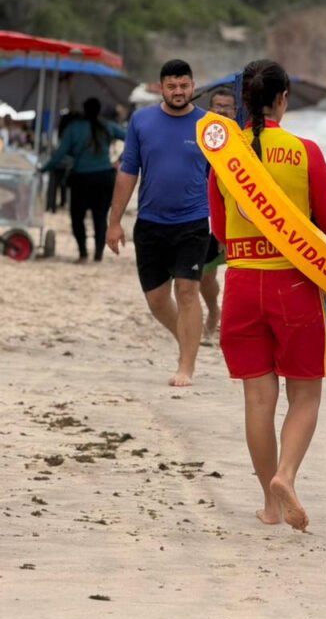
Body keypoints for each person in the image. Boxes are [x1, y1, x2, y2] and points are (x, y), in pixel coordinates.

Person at [209, 59, 326, 532]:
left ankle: (269, 505)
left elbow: (221, 230)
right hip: (294, 283)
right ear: (283, 98)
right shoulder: (305, 151)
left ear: (243, 100)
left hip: (243, 283)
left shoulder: (225, 157)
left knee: (257, 400)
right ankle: (285, 476)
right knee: (304, 394)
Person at [106, 59, 210, 388]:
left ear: (192, 86)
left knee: (187, 291)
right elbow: (127, 172)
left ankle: (186, 366)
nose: (178, 91)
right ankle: (187, 339)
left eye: (184, 85)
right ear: (161, 87)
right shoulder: (142, 121)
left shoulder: (210, 126)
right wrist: (114, 222)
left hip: (193, 222)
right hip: (150, 222)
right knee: (156, 300)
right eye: (172, 86)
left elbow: (227, 179)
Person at [40, 98, 126, 263]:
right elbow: (132, 138)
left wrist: (44, 168)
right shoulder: (107, 126)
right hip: (104, 177)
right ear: (99, 110)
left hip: (81, 179)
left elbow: (60, 154)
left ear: (84, 110)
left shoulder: (74, 128)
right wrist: (120, 160)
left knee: (77, 217)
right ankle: (98, 255)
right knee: (100, 218)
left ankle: (83, 253)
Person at [199, 87, 237, 342]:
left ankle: (234, 323)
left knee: (240, 273)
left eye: (227, 106)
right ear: (209, 109)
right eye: (217, 106)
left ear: (236, 111)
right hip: (206, 215)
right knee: (205, 274)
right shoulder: (202, 137)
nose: (222, 110)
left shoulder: (244, 139)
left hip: (239, 216)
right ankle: (214, 309)